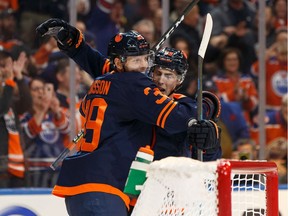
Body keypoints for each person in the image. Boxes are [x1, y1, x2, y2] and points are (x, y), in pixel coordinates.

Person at [36, 19, 221, 216]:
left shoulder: (181, 104)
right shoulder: (138, 89)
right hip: (117, 192)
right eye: (156, 73)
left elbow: (207, 153)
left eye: (169, 75)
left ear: (179, 80)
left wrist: (208, 125)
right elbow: (109, 68)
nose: (160, 80)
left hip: (163, 200)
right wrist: (206, 108)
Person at [20, 77, 70, 187]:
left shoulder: (54, 115)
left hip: (59, 169)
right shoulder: (25, 116)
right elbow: (28, 134)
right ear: (29, 94)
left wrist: (56, 109)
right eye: (36, 89)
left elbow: (68, 130)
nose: (41, 92)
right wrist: (42, 109)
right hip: (36, 171)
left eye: (43, 89)